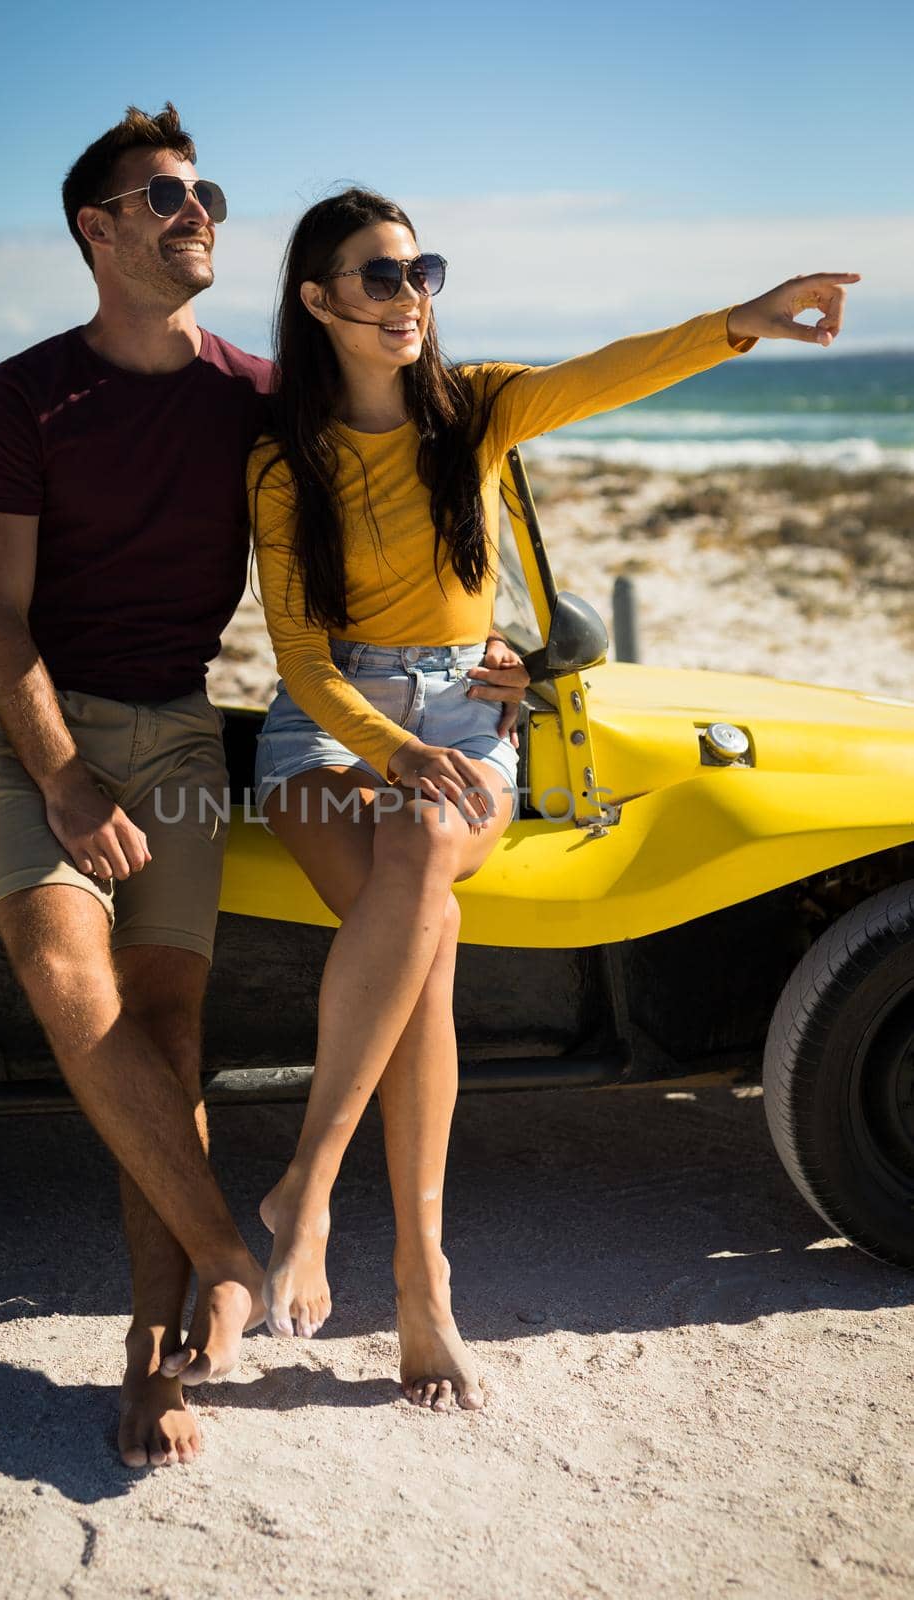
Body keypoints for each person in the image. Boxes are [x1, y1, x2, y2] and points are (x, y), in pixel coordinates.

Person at [245, 186, 859, 1412]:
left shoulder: (475, 411)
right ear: (318, 302)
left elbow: (607, 374)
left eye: (423, 273)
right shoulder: (282, 460)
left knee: (421, 860)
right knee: (423, 936)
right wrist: (385, 747)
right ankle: (421, 1277)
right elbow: (302, 659)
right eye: (379, 278)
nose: (409, 297)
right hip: (324, 724)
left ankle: (308, 1186)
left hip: (470, 708)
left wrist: (739, 320)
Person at [0, 103, 272, 1470]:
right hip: (32, 734)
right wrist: (67, 776)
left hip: (180, 739)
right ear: (98, 228)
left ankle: (153, 1358)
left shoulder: (256, 396)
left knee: (168, 1024)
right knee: (59, 962)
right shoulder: (24, 396)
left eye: (204, 192)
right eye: (164, 195)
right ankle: (225, 1250)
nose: (195, 211)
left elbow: (380, 519)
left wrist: (470, 650)